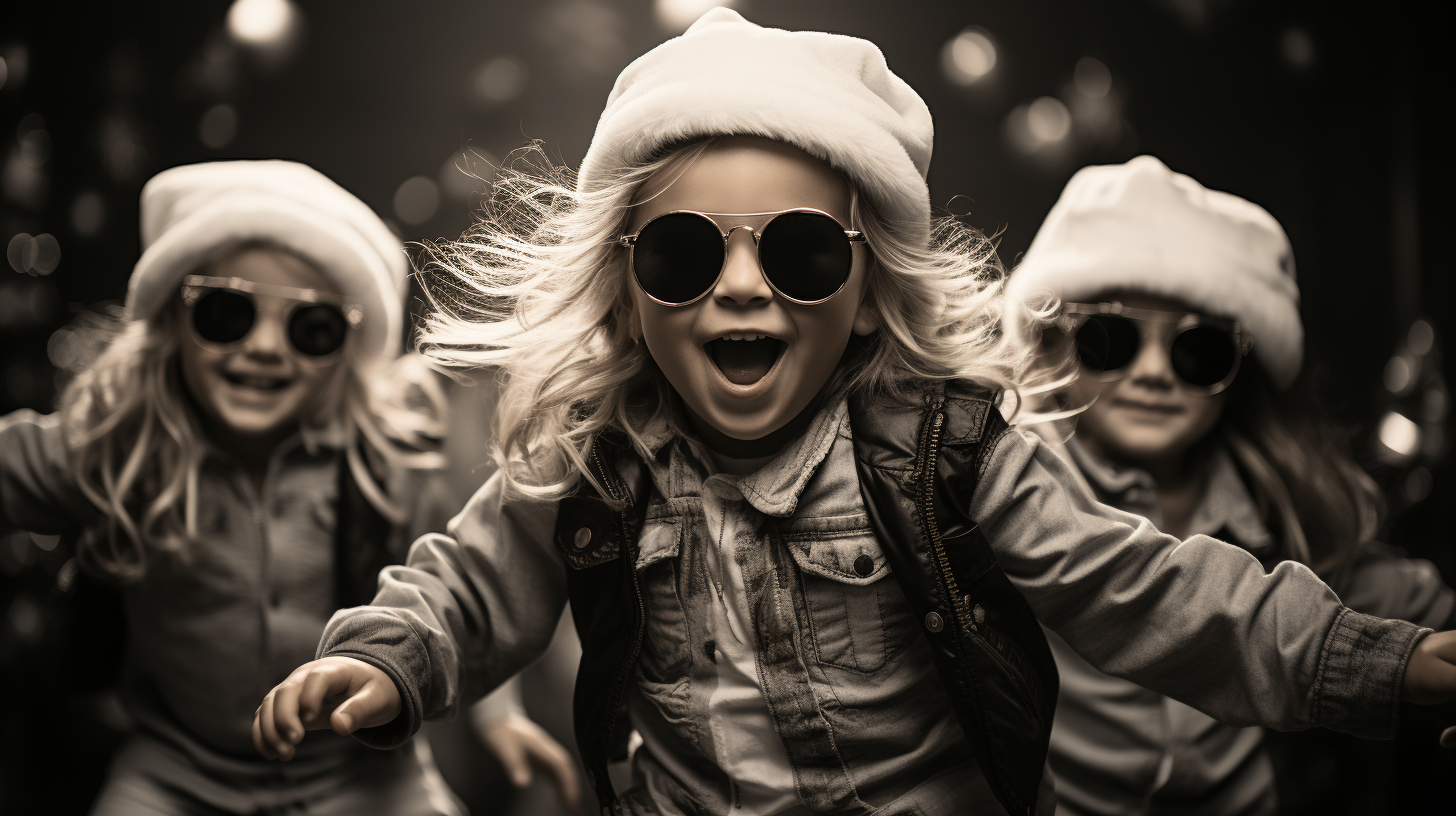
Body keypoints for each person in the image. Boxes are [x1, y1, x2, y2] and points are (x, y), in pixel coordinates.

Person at [252, 10, 1456, 816]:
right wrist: (388, 657)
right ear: (623, 287)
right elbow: (469, 580)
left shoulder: (951, 449)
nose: (738, 287)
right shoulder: (599, 458)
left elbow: (1151, 592)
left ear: (870, 293)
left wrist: (1376, 664)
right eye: (679, 253)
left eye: (796, 255)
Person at [0, 160, 574, 815]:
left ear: (348, 355)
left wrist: (495, 716)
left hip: (361, 770)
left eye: (311, 328)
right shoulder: (117, 450)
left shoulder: (382, 462)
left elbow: (453, 591)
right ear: (169, 325)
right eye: (226, 312)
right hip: (178, 770)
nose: (267, 347)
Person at [1003, 154, 1456, 815]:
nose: (1155, 373)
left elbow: (1406, 605)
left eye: (1198, 350)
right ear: (1051, 344)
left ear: (1240, 370)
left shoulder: (1283, 512)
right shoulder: (1007, 495)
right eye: (1111, 339)